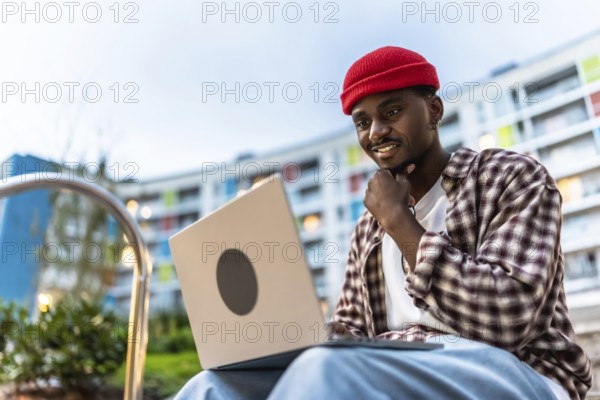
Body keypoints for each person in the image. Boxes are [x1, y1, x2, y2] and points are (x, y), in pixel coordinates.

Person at [175, 46, 592, 400]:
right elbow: (352, 330)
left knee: (327, 369)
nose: (376, 132)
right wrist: (287, 338)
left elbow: (508, 319)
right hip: (398, 367)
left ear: (433, 110)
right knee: (211, 387)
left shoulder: (509, 177)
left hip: (521, 372)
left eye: (391, 111)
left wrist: (400, 222)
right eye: (362, 121)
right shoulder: (367, 230)